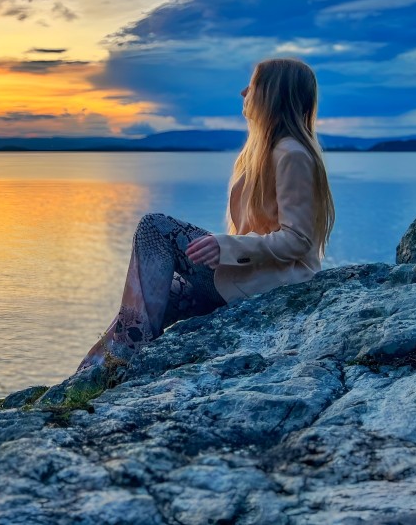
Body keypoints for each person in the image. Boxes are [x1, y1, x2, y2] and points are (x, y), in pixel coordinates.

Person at [77, 57, 336, 372]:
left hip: (275, 283)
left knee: (155, 227)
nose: (243, 92)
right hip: (251, 277)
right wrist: (226, 248)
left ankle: (118, 363)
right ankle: (97, 372)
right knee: (151, 299)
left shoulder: (292, 154)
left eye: (252, 86)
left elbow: (298, 240)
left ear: (272, 94)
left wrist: (227, 246)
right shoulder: (264, 153)